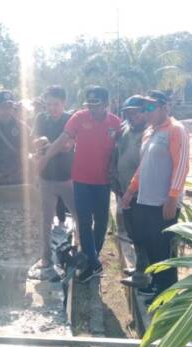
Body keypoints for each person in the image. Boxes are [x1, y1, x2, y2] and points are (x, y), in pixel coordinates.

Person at [43, 86, 122, 282]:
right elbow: (63, 139)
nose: (92, 109)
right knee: (85, 221)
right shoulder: (79, 118)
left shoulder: (116, 123)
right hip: (81, 180)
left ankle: (91, 256)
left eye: (96, 105)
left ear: (106, 104)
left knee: (102, 221)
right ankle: (93, 263)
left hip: (103, 181)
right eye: (89, 105)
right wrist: (45, 158)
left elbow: (119, 151)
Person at [122, 90, 190, 296]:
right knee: (151, 245)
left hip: (163, 202)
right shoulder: (149, 132)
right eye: (144, 108)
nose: (146, 112)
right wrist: (130, 190)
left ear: (164, 107)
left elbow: (181, 166)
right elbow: (143, 167)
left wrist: (172, 198)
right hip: (145, 199)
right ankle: (156, 283)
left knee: (164, 248)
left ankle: (166, 291)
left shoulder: (176, 130)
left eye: (150, 107)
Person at [31, 85, 76, 269]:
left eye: (56, 104)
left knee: (78, 216)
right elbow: (32, 141)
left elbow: (68, 145)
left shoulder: (71, 119)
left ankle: (78, 250)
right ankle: (45, 257)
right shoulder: (41, 118)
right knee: (44, 220)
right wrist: (39, 141)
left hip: (68, 178)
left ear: (63, 103)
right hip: (46, 178)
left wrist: (47, 144)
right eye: (49, 104)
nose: (52, 108)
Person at [109, 95, 149, 286]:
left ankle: (143, 273)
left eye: (135, 113)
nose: (132, 117)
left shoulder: (149, 134)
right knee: (131, 231)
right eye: (128, 113)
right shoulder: (125, 130)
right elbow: (116, 154)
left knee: (142, 232)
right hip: (124, 190)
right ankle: (139, 266)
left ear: (144, 112)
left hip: (141, 193)